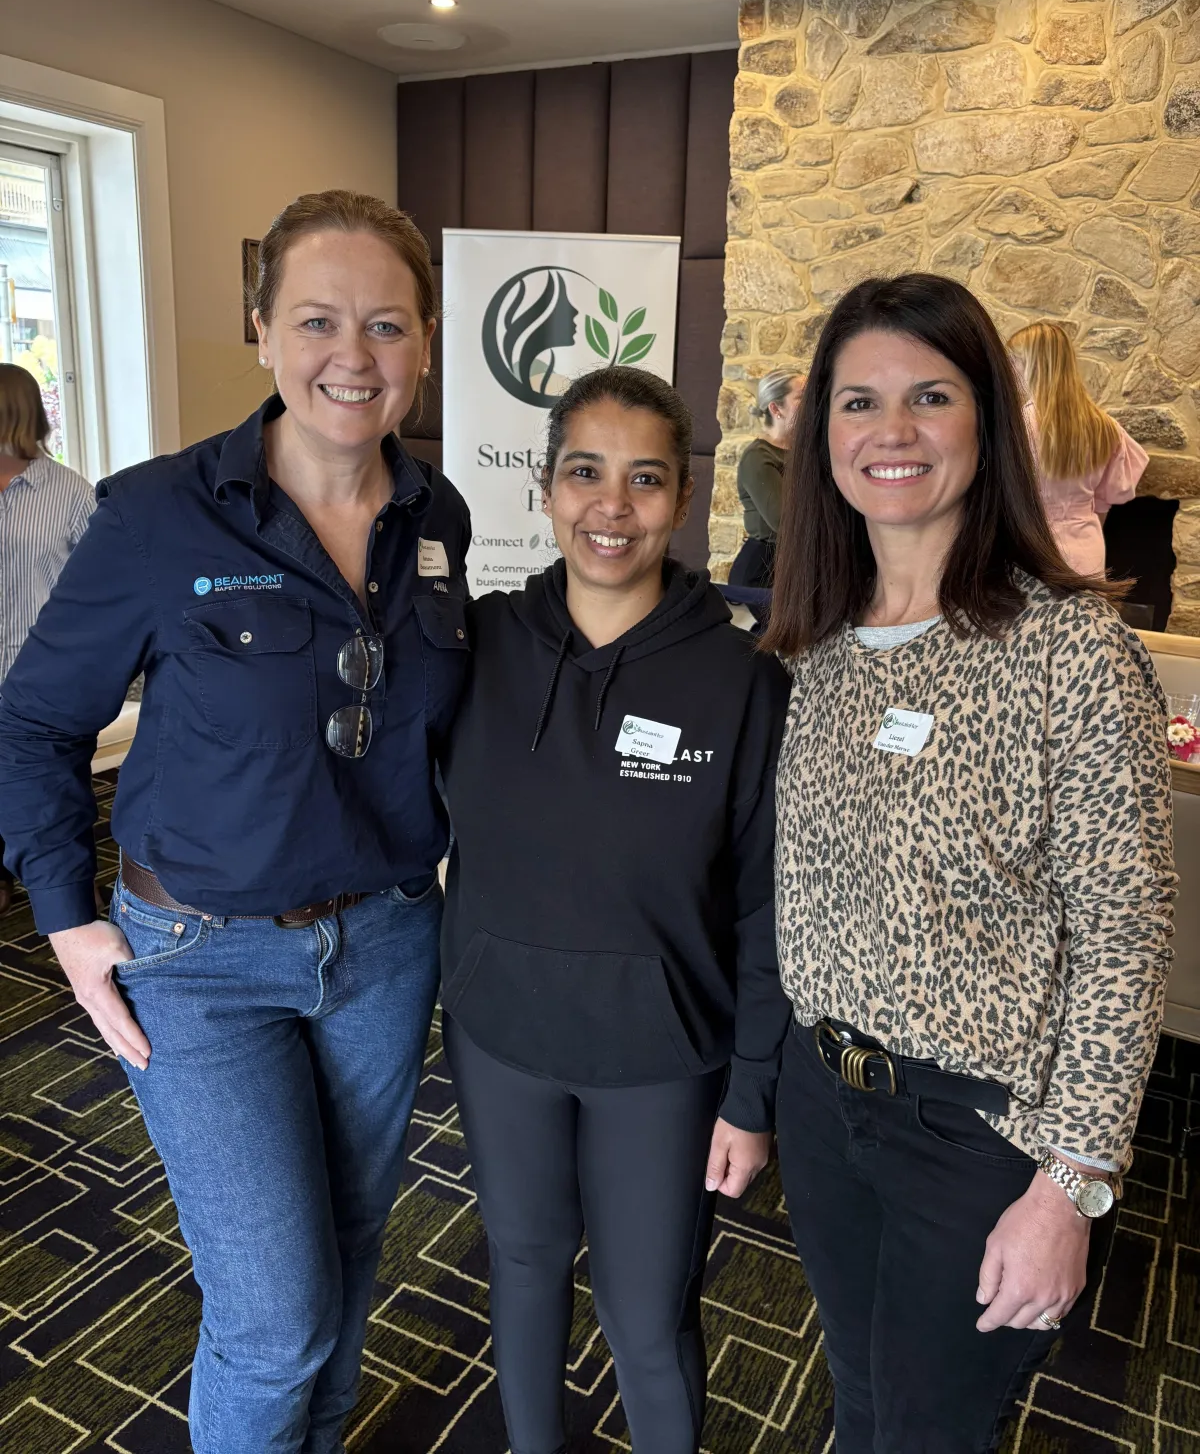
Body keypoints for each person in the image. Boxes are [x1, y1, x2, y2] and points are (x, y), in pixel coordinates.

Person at [0, 190, 471, 1454]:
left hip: (383, 943)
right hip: (200, 961)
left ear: (424, 343)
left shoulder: (439, 520)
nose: (351, 355)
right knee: (273, 1313)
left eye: (385, 324)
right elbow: (32, 720)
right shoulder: (161, 514)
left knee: (351, 1253)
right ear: (262, 328)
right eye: (317, 318)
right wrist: (65, 921)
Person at [762, 275, 1174, 1454]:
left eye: (929, 396)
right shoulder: (817, 644)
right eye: (859, 401)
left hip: (984, 1136)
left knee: (928, 1431)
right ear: (820, 433)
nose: (891, 431)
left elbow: (1126, 937)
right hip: (823, 1097)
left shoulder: (1072, 650)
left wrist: (1071, 1185)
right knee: (859, 1397)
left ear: (986, 419)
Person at [438, 366, 792, 1454]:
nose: (612, 505)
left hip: (663, 1058)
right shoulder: (475, 645)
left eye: (644, 479)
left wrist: (752, 1092)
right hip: (503, 1039)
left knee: (646, 1319)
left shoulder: (743, 679)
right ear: (545, 489)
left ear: (680, 500)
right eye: (585, 472)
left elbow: (771, 905)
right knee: (526, 1274)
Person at [0, 363, 95, 915]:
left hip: (44, 679)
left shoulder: (70, 494)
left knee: (53, 793)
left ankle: (65, 892)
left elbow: (99, 592)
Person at [1009, 319, 1147, 577]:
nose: (1011, 369)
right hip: (1087, 549)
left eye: (1015, 360)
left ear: (1034, 365)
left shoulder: (1018, 427)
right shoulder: (1105, 427)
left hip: (1031, 549)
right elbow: (1106, 501)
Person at [728, 366, 804, 590]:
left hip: (794, 565)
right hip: (764, 571)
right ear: (776, 408)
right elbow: (783, 521)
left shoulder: (805, 452)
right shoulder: (758, 457)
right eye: (802, 397)